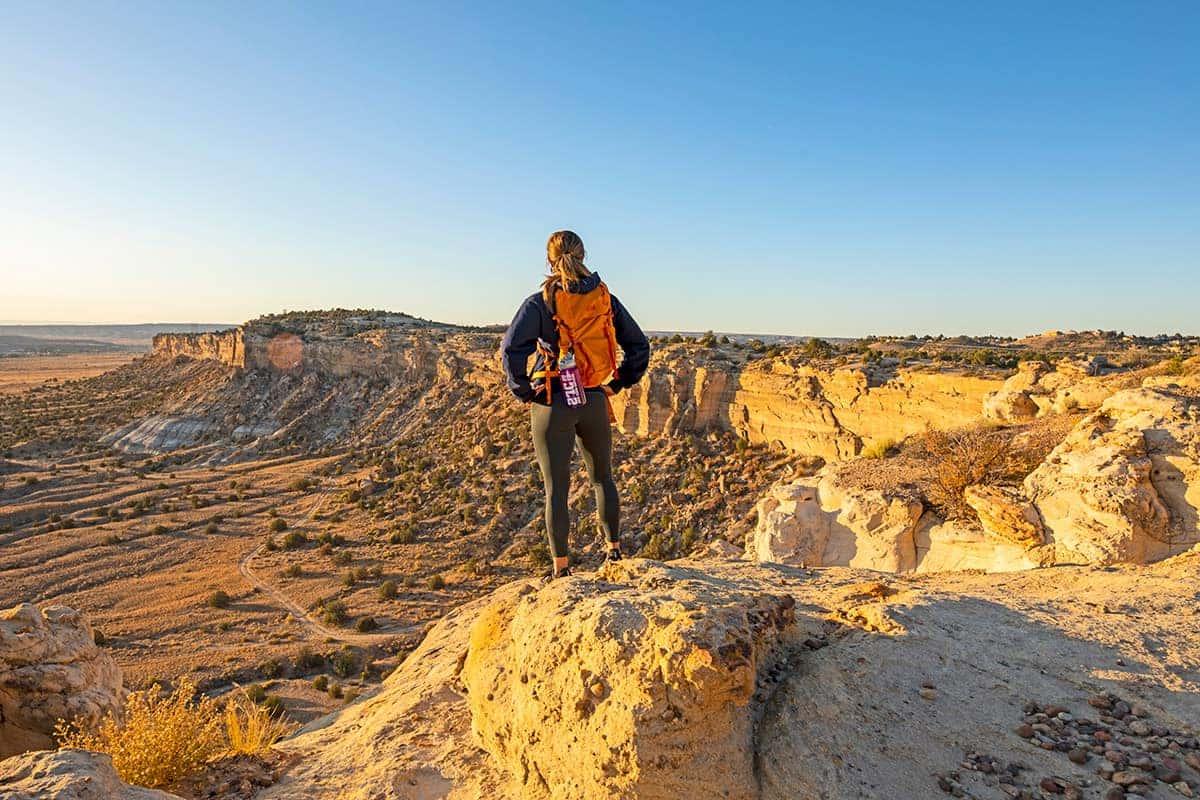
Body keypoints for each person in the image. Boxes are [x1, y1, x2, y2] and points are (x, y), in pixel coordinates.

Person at [502, 230, 650, 579]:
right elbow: (639, 346)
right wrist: (617, 384)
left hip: (553, 399)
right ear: (583, 255)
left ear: (549, 261)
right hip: (594, 398)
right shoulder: (604, 298)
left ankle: (561, 570)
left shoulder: (540, 302)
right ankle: (614, 553)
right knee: (603, 479)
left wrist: (524, 391)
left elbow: (512, 351)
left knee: (556, 489)